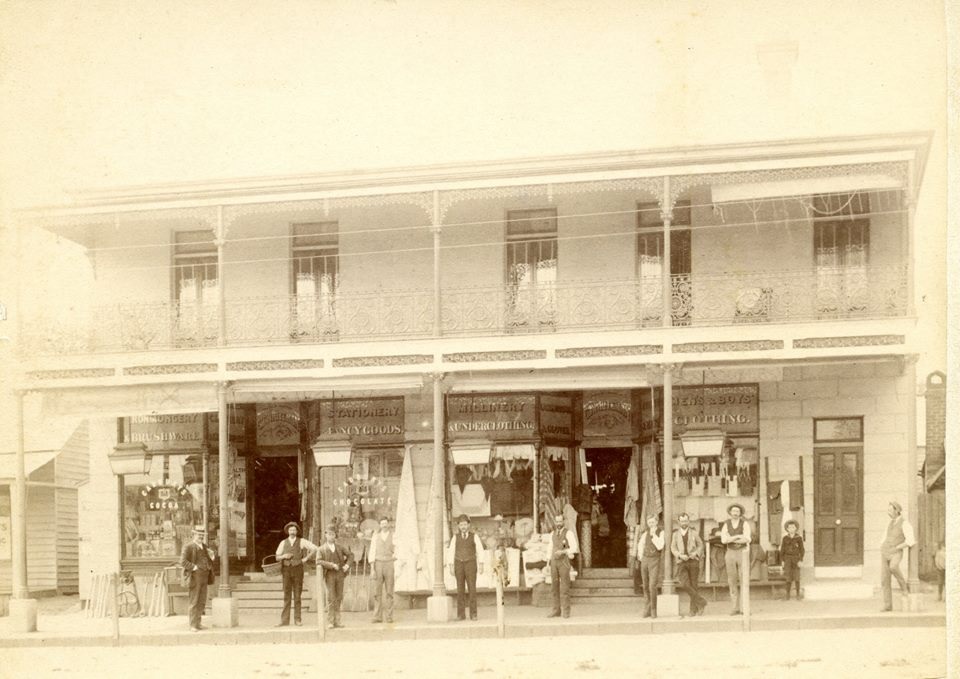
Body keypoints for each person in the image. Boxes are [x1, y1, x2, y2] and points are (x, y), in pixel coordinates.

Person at [275, 521, 318, 627]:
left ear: (297, 531)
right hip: (286, 570)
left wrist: (306, 558)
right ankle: (284, 621)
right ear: (287, 531)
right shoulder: (283, 542)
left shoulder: (302, 541)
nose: (292, 531)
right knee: (287, 596)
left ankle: (297, 620)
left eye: (294, 530)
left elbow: (315, 548)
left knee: (298, 596)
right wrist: (284, 556)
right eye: (290, 530)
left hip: (298, 569)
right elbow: (277, 557)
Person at [446, 514, 486, 621]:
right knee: (460, 590)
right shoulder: (455, 537)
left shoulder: (474, 536)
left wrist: (481, 564)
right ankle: (461, 614)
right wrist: (451, 566)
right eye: (461, 525)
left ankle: (473, 614)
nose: (463, 526)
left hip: (471, 564)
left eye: (465, 524)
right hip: (459, 564)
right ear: (458, 526)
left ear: (468, 525)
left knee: (472, 589)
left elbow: (480, 551)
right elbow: (451, 552)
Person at [879, 500, 915, 612]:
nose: (888, 512)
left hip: (896, 552)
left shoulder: (905, 523)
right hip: (885, 552)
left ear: (897, 511)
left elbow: (910, 541)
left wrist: (898, 547)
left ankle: (904, 587)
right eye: (888, 510)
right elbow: (884, 538)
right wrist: (882, 546)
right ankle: (887, 606)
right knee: (885, 579)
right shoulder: (890, 523)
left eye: (890, 510)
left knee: (893, 567)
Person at [179, 525, 215, 632]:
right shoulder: (188, 546)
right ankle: (192, 625)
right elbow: (182, 561)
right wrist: (194, 567)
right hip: (195, 577)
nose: (200, 537)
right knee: (194, 601)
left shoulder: (204, 546)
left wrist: (212, 557)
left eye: (202, 535)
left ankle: (198, 623)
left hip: (204, 577)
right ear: (194, 535)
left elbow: (208, 560)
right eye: (199, 535)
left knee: (202, 601)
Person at [671, 512, 707, 616]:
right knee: (685, 584)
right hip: (681, 562)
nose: (684, 522)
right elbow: (673, 548)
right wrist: (679, 555)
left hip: (693, 561)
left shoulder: (694, 533)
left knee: (694, 585)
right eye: (682, 521)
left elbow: (701, 545)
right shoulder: (675, 534)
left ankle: (693, 610)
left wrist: (695, 553)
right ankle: (701, 602)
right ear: (678, 522)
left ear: (689, 521)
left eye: (686, 520)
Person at [316, 525, 351, 628]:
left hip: (340, 575)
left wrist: (347, 565)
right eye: (329, 534)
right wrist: (331, 565)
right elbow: (318, 561)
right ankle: (330, 621)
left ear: (335, 535)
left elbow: (351, 555)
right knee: (331, 598)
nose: (331, 536)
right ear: (325, 535)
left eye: (333, 534)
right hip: (329, 575)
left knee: (339, 597)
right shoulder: (321, 549)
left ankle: (338, 621)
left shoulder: (340, 547)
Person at [720, 503, 752, 615]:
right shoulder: (726, 524)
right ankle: (735, 608)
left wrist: (731, 539)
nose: (735, 513)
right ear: (730, 513)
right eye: (733, 511)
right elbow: (724, 540)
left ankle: (745, 608)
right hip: (730, 553)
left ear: (740, 513)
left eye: (737, 511)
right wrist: (738, 537)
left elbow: (747, 539)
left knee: (744, 580)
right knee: (732, 581)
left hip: (742, 553)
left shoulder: (745, 524)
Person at [547, 510, 579, 618]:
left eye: (560, 521)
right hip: (554, 563)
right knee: (554, 587)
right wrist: (548, 563)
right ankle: (556, 610)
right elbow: (549, 548)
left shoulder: (568, 533)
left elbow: (574, 548)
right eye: (557, 522)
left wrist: (563, 552)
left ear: (564, 521)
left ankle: (566, 611)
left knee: (564, 587)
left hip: (564, 562)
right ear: (555, 522)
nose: (559, 524)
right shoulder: (552, 534)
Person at [367, 515, 397, 623]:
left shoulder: (394, 536)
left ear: (388, 524)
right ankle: (377, 616)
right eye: (382, 523)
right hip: (378, 564)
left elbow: (398, 550)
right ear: (380, 525)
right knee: (377, 592)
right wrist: (372, 568)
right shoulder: (376, 537)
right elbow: (372, 552)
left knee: (389, 592)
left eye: (385, 523)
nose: (384, 525)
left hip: (389, 564)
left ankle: (389, 616)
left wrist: (395, 561)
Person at [636, 515, 664, 618]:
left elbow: (660, 546)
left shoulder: (660, 532)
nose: (651, 524)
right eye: (649, 523)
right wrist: (640, 556)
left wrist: (654, 536)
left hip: (654, 560)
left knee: (652, 585)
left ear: (656, 522)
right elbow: (641, 544)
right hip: (645, 560)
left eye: (652, 522)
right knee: (645, 585)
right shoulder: (645, 533)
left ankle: (653, 609)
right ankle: (647, 608)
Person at [779, 519, 805, 600]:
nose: (791, 529)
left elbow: (802, 550)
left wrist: (800, 560)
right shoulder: (785, 538)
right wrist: (782, 561)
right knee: (788, 577)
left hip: (796, 559)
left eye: (793, 527)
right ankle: (787, 595)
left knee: (797, 577)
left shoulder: (799, 538)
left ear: (796, 528)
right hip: (787, 559)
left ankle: (797, 594)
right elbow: (782, 550)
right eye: (789, 527)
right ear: (787, 529)